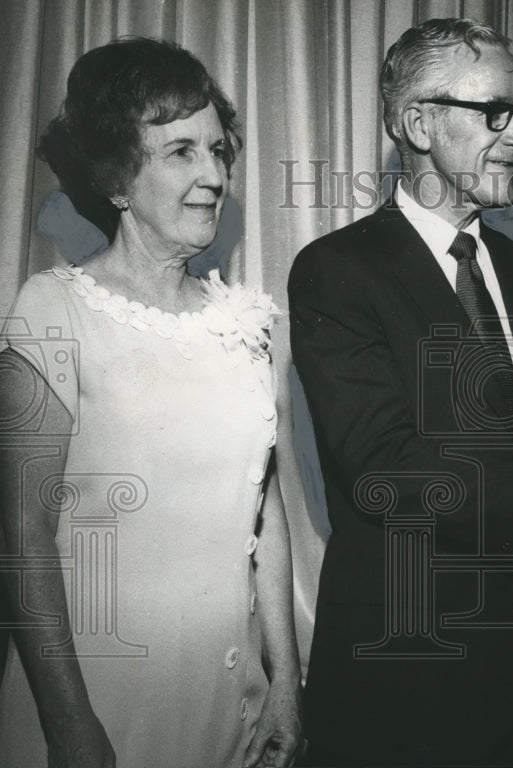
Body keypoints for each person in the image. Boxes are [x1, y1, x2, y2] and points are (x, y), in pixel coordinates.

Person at [288, 17, 513, 766]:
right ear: (417, 122)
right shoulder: (336, 272)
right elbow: (384, 468)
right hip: (406, 679)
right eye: (494, 112)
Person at [0, 38, 301, 768]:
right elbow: (21, 536)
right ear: (116, 177)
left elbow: (264, 513)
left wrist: (288, 684)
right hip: (100, 701)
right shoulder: (51, 310)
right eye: (180, 153)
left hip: (230, 701)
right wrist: (71, 727)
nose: (213, 174)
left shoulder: (242, 321)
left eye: (218, 150)